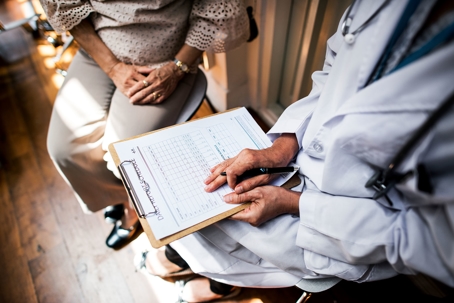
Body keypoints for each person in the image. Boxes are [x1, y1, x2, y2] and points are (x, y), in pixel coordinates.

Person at [139, 0, 454, 302]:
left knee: (229, 218)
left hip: (348, 225)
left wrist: (294, 203)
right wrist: (282, 146)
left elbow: (431, 242)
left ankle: (219, 283)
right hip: (299, 160)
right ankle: (183, 254)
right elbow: (333, 70)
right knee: (198, 192)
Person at [40, 0, 250, 250]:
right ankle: (118, 196)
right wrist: (112, 67)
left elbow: (215, 11)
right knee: (63, 149)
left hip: (163, 63)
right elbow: (63, 8)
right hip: (98, 49)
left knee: (121, 158)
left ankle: (133, 209)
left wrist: (177, 68)